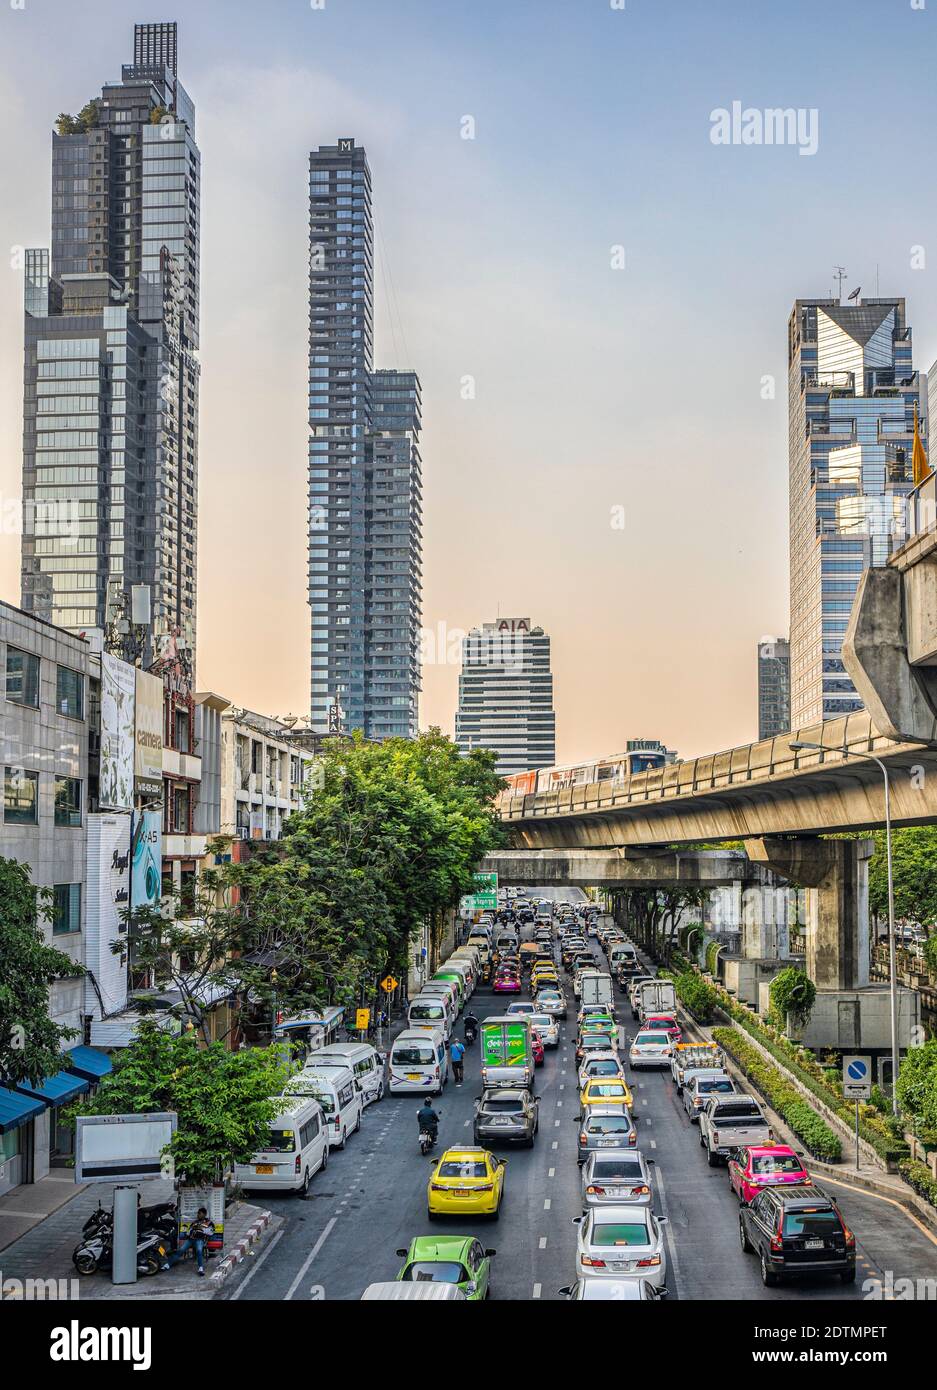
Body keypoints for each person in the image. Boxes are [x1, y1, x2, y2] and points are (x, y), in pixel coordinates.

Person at [162, 1207, 213, 1277]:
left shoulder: (209, 1223)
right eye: (198, 1213)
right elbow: (188, 1233)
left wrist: (201, 1229)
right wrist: (192, 1230)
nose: (198, 1215)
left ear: (204, 1214)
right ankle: (168, 1264)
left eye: (200, 1213)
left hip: (199, 1240)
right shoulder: (195, 1222)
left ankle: (200, 1268)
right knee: (181, 1250)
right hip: (191, 1240)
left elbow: (211, 1232)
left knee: (199, 1250)